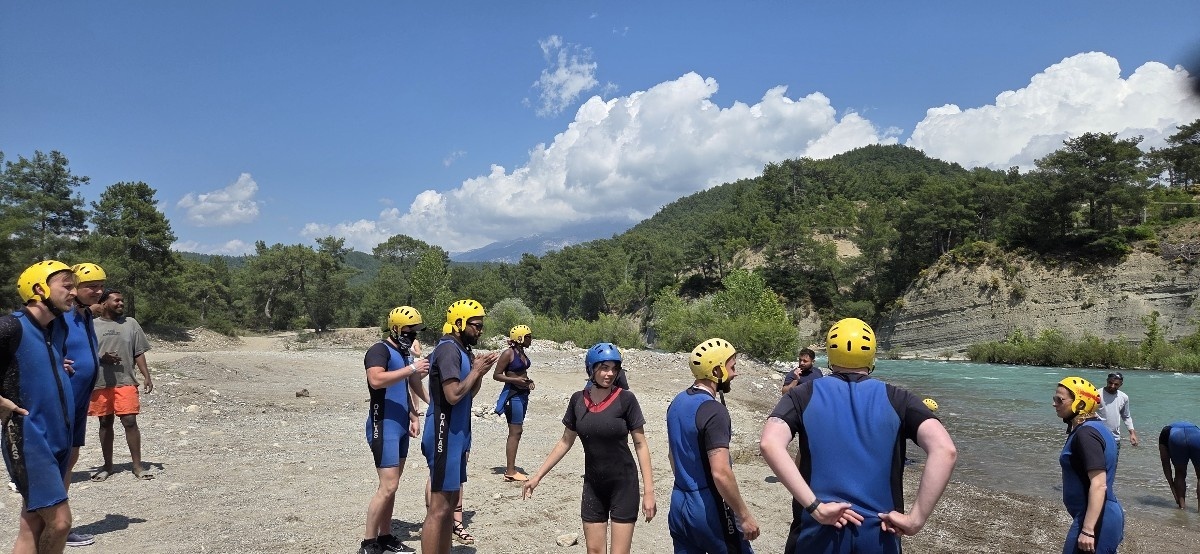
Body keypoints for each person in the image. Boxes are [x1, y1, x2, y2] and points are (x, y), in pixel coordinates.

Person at [760, 318, 957, 554]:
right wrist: (916, 519)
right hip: (880, 534)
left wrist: (815, 507)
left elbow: (770, 443)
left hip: (816, 531)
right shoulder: (899, 398)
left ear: (830, 355)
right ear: (871, 356)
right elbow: (945, 450)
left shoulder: (802, 395)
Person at [522, 342, 656, 554]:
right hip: (593, 486)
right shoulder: (578, 400)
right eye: (604, 367)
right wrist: (537, 476)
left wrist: (649, 492)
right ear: (591, 369)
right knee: (594, 551)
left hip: (623, 485)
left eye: (614, 368)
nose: (610, 374)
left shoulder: (626, 399)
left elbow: (640, 444)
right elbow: (565, 441)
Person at [2, 260, 78, 553]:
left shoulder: (57, 326)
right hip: (28, 436)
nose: (73, 292)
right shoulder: (10, 326)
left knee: (32, 523)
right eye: (67, 286)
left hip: (60, 434)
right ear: (39, 289)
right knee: (59, 523)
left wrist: (56, 366)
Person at [420, 299, 499, 554]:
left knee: (450, 504)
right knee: (438, 508)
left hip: (457, 436)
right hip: (443, 433)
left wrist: (479, 373)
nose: (480, 330)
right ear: (459, 323)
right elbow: (453, 395)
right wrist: (475, 371)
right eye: (476, 325)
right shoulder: (448, 350)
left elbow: (468, 394)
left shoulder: (462, 350)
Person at [666, 338, 759, 554]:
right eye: (732, 367)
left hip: (678, 502)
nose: (735, 373)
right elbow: (721, 473)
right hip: (707, 507)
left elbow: (672, 456)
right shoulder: (714, 411)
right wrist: (744, 516)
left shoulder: (677, 402)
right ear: (717, 371)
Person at [359, 306, 431, 554]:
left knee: (393, 485)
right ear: (396, 328)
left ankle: (386, 536)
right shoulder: (379, 350)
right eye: (410, 330)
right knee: (387, 486)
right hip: (383, 425)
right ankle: (368, 543)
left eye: (416, 331)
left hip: (400, 424)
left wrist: (415, 413)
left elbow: (407, 385)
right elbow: (376, 380)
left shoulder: (403, 352)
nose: (413, 335)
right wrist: (412, 368)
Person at [58, 263, 107, 548]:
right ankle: (52, 527)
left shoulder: (85, 313)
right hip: (63, 398)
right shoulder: (61, 314)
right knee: (59, 460)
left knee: (71, 458)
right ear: (75, 288)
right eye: (92, 286)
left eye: (101, 286)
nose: (99, 291)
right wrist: (55, 360)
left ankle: (60, 526)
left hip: (80, 400)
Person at [88, 290, 154, 481]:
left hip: (125, 380)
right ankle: (107, 466)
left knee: (130, 421)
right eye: (116, 300)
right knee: (105, 423)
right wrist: (102, 358)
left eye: (122, 300)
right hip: (101, 382)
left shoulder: (130, 323)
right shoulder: (90, 325)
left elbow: (138, 352)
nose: (121, 303)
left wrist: (146, 376)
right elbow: (83, 352)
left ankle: (138, 466)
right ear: (104, 303)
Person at [1053, 376, 1124, 554]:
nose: (1054, 404)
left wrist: (1088, 529)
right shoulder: (1096, 428)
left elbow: (1099, 484)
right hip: (1099, 515)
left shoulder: (1086, 434)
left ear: (1080, 403)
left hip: (1098, 519)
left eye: (1060, 400)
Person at [493, 324, 535, 482]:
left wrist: (528, 381)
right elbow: (497, 375)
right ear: (520, 338)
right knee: (515, 431)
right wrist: (516, 380)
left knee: (518, 430)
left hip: (523, 394)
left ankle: (511, 469)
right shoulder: (508, 353)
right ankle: (510, 471)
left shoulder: (521, 352)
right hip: (513, 395)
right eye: (528, 337)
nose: (530, 339)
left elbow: (521, 373)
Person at [1158, 421, 1200, 512]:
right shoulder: (1195, 427)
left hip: (1177, 437)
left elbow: (1165, 462)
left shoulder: (1165, 432)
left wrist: (1173, 488)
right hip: (1196, 435)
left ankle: (1182, 507)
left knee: (1179, 473)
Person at [1096, 372, 1139, 457]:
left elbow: (1126, 416)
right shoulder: (1096, 394)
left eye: (1116, 384)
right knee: (1096, 463)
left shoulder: (1124, 397)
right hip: (1097, 436)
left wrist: (1132, 433)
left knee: (1112, 463)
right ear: (1107, 381)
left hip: (1114, 438)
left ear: (1121, 384)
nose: (1112, 386)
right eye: (1110, 383)